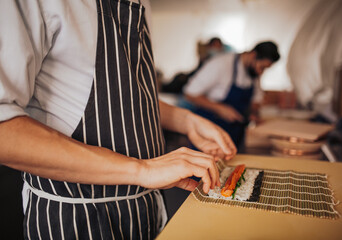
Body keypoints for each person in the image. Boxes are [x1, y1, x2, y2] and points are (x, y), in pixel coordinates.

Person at [0, 1, 237, 239]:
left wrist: (186, 121)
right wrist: (142, 170)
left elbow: (121, 95)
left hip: (145, 208)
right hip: (75, 218)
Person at [183, 41, 280, 152]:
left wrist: (253, 113)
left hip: (235, 134)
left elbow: (256, 99)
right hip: (210, 131)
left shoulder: (253, 73)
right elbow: (189, 93)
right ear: (253, 55)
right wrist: (220, 109)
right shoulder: (221, 64)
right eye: (262, 67)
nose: (261, 72)